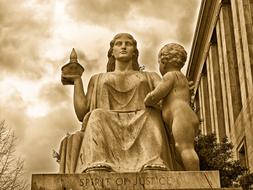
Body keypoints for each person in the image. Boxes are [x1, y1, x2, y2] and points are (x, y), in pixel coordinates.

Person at [59, 33, 176, 173]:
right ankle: (98, 163)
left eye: (128, 44)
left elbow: (168, 98)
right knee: (97, 115)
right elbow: (82, 113)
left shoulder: (150, 76)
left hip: (144, 120)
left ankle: (153, 162)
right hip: (106, 122)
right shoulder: (97, 79)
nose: (124, 46)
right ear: (112, 52)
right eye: (119, 44)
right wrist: (77, 81)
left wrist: (180, 90)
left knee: (152, 115)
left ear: (134, 52)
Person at [144, 43, 200, 170]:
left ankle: (196, 178)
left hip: (181, 116)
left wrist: (148, 99)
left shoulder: (170, 76)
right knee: (177, 151)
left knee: (185, 148)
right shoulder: (182, 78)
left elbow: (158, 93)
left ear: (163, 61)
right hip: (183, 116)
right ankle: (188, 175)